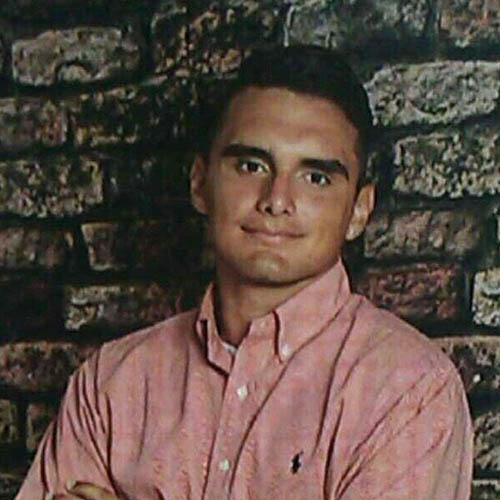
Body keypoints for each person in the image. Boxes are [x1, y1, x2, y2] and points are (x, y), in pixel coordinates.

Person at [15, 45, 473, 500]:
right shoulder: (111, 385)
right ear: (200, 183)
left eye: (315, 177)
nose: (276, 200)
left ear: (359, 210)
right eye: (251, 165)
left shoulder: (407, 393)